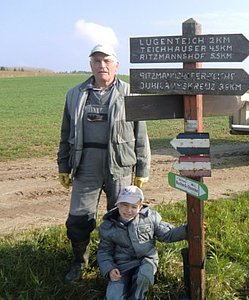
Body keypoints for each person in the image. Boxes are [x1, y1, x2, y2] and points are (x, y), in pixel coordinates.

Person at [57, 44, 151, 282]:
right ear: (91, 65)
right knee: (79, 219)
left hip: (119, 166)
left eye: (107, 61)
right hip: (85, 165)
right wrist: (63, 166)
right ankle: (79, 261)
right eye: (97, 61)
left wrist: (142, 169)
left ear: (116, 65)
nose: (102, 66)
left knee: (121, 218)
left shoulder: (130, 94)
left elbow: (141, 135)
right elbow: (65, 132)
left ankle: (117, 263)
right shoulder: (75, 94)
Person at [97, 185, 187, 299]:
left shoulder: (149, 218)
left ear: (140, 207)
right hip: (121, 265)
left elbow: (168, 234)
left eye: (134, 207)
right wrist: (109, 269)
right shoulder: (109, 226)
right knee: (113, 296)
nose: (128, 210)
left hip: (145, 260)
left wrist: (187, 230)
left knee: (144, 277)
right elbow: (104, 251)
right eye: (124, 205)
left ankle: (137, 297)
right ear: (118, 204)